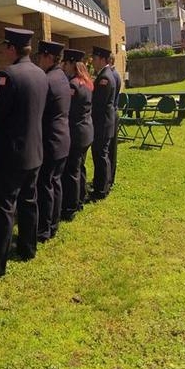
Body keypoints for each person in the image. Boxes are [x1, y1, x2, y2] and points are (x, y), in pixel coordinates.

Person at [0, 27, 48, 278]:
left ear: (11, 48)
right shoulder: (41, 74)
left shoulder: (9, 75)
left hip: (10, 154)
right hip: (34, 150)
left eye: (5, 47)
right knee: (29, 201)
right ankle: (28, 248)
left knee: (4, 207)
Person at [36, 41, 71, 243]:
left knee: (46, 184)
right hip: (62, 137)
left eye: (41, 56)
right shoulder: (62, 77)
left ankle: (44, 229)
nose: (39, 59)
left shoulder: (48, 79)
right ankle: (53, 224)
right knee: (55, 182)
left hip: (50, 139)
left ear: (49, 57)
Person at [60, 49, 93, 219]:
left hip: (77, 133)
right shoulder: (86, 82)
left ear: (72, 64)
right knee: (80, 168)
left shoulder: (73, 85)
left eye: (65, 63)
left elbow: (68, 110)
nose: (63, 66)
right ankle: (80, 198)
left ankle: (71, 207)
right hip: (86, 131)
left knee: (72, 170)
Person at [90, 46, 116, 200]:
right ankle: (102, 186)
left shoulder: (105, 78)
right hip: (104, 123)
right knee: (101, 155)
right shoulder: (105, 75)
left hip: (102, 123)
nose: (93, 61)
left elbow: (98, 103)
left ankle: (100, 189)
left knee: (100, 156)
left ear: (102, 59)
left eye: (94, 58)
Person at [107, 52, 122, 190]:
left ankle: (110, 177)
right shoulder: (115, 74)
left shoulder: (112, 75)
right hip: (113, 112)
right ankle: (110, 177)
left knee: (111, 148)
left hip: (112, 112)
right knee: (111, 147)